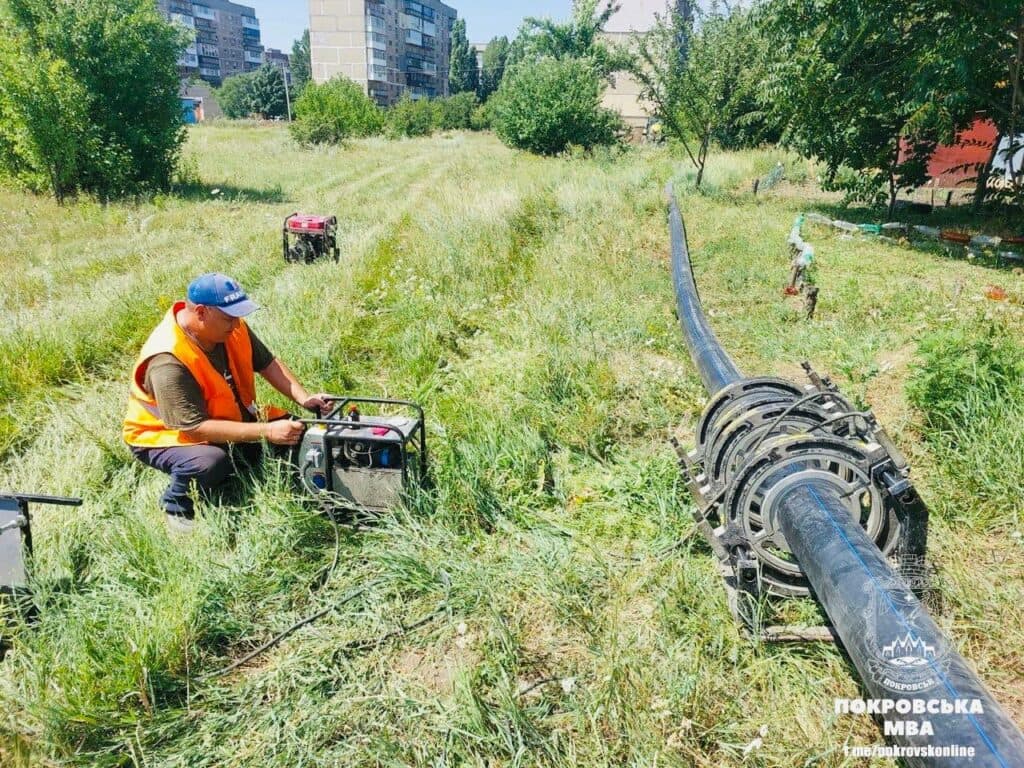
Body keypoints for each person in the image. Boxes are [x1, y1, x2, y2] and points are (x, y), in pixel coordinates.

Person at [123, 273, 329, 529]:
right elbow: (193, 428)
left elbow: (266, 363)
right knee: (210, 463)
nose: (236, 324)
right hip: (165, 435)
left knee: (297, 432)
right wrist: (266, 431)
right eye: (228, 318)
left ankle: (239, 461)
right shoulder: (168, 360)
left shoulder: (231, 326)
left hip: (226, 416)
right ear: (201, 312)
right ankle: (178, 505)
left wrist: (304, 398)